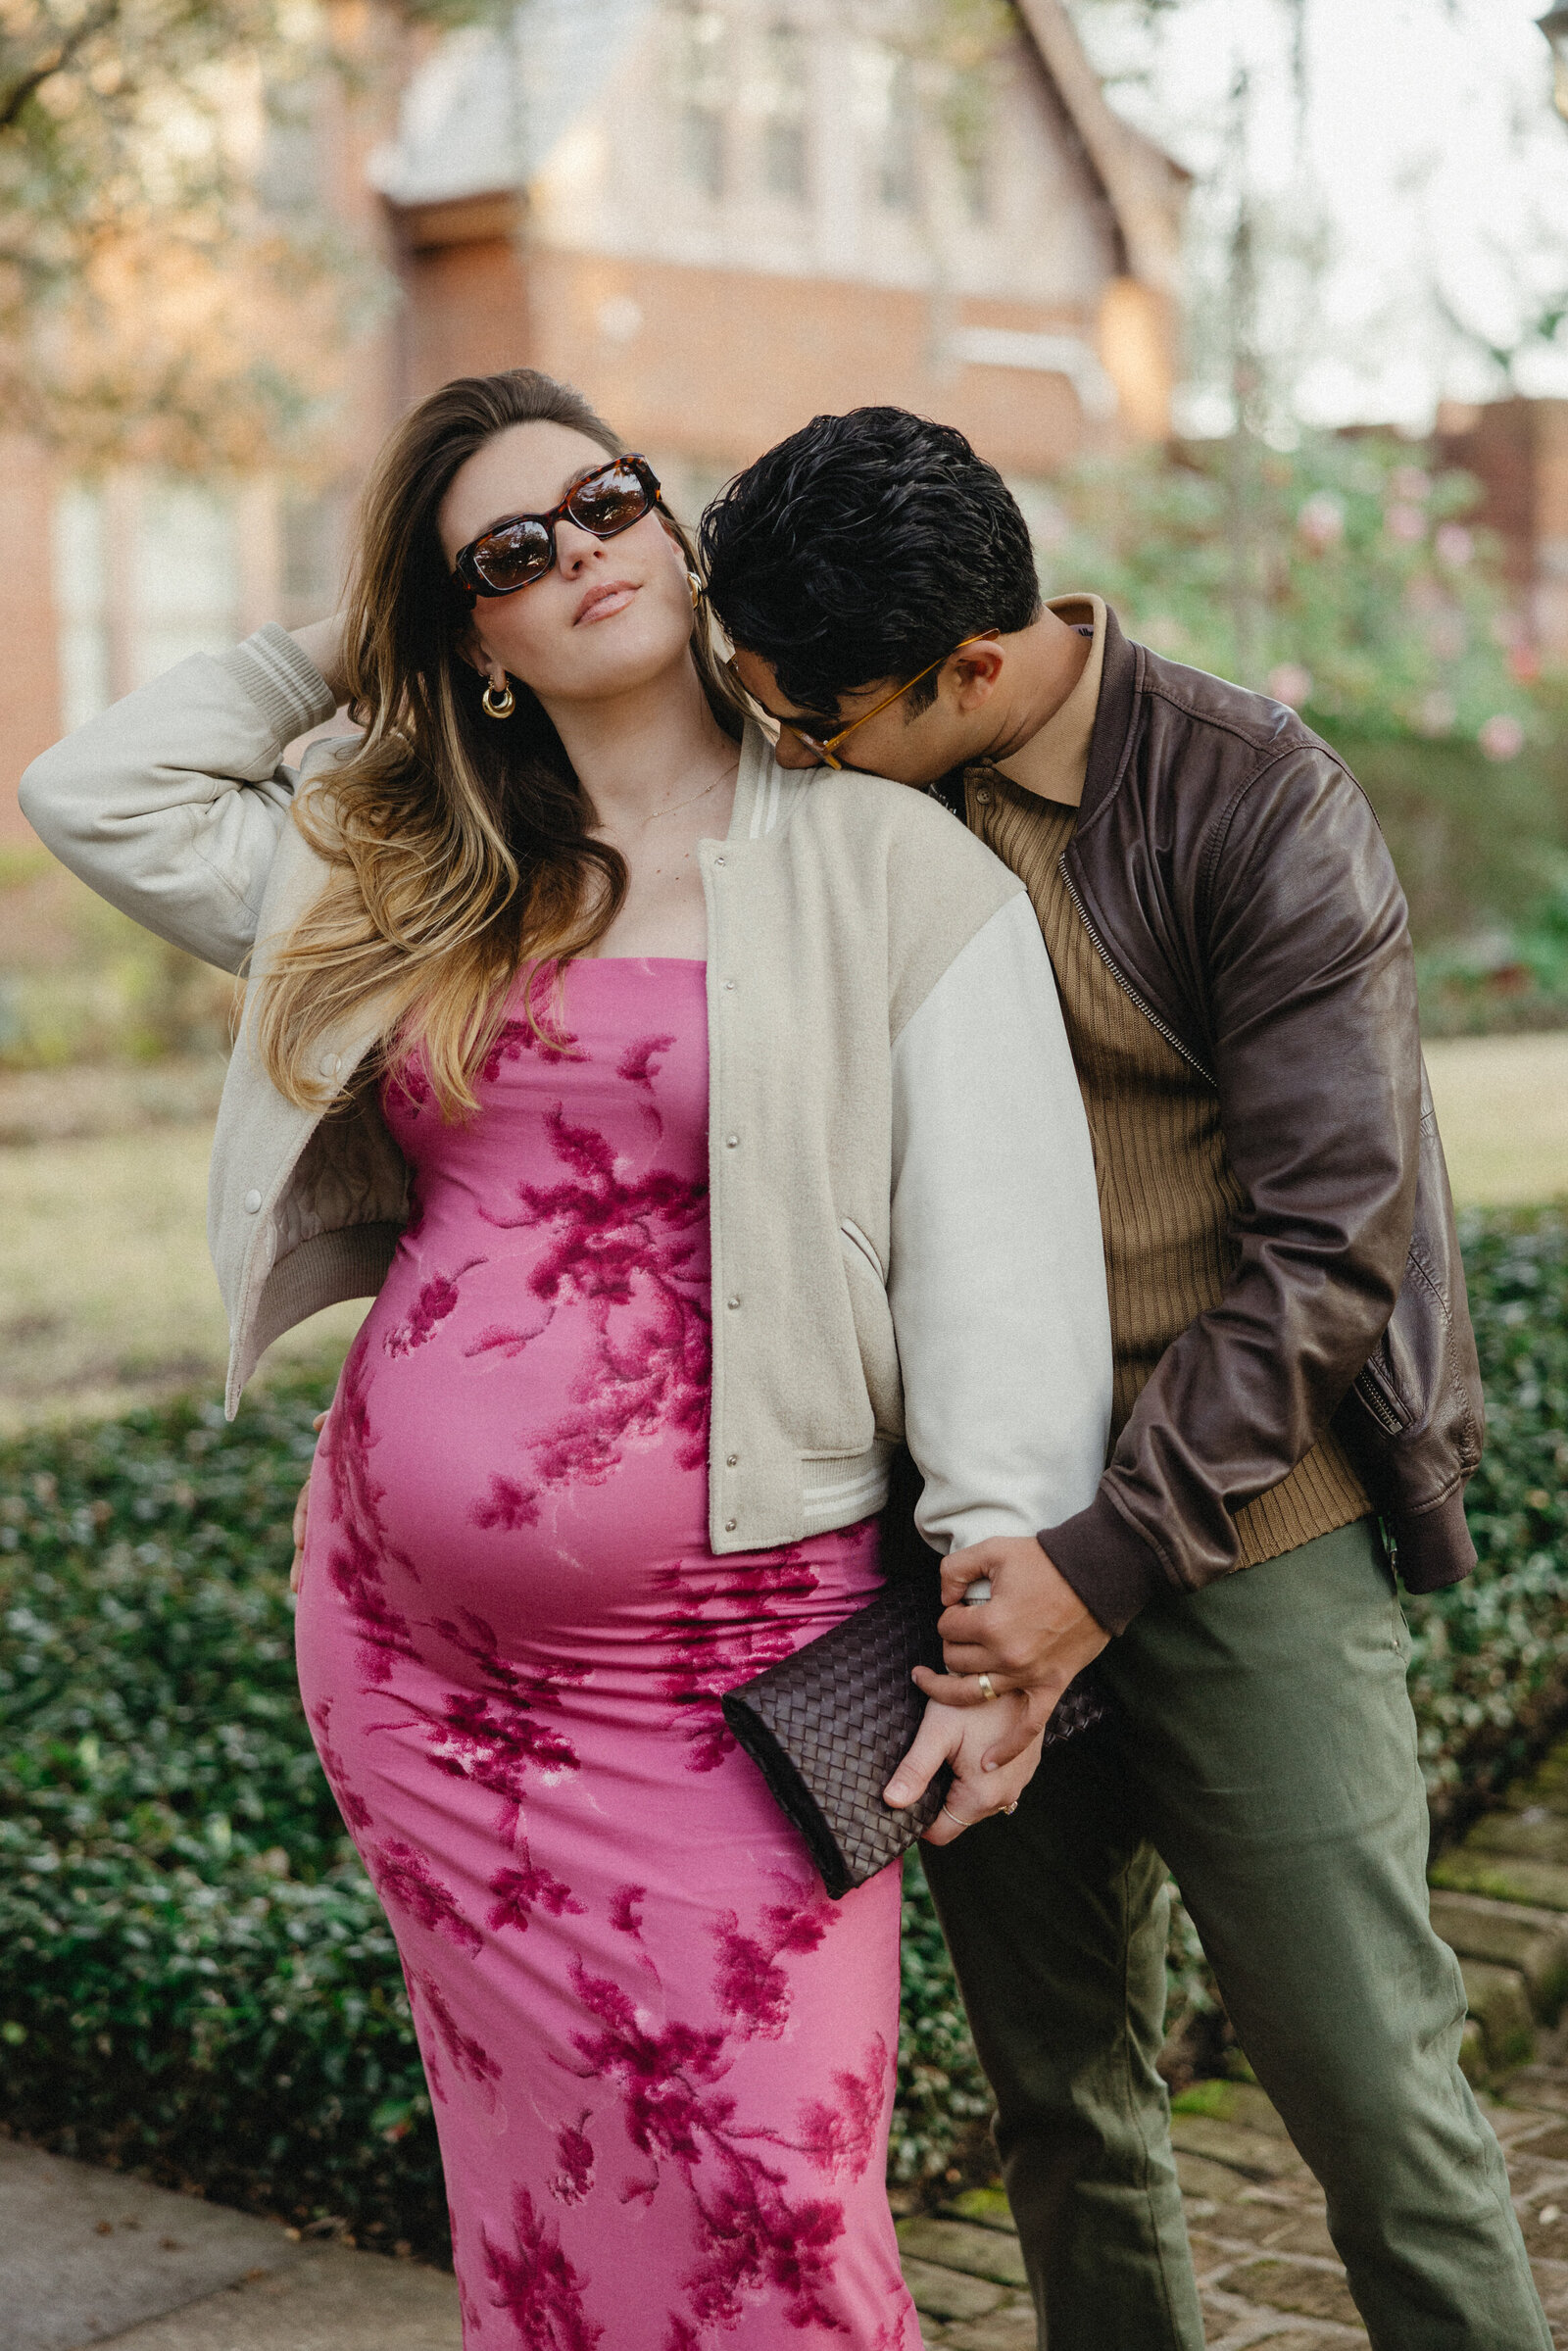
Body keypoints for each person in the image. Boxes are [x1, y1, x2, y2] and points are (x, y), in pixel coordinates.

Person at [19, 371, 1112, 2351]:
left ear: (671, 526)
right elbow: (95, 791)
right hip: (416, 1670)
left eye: (603, 503)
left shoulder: (891, 874)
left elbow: (1001, 1282)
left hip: (737, 1684)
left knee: (777, 2204)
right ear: (473, 641)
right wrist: (345, 643)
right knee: (542, 2197)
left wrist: (998, 1612)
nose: (578, 553)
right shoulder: (398, 877)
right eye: (505, 555)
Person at [700, 405, 1549, 2351]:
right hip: (968, 1549)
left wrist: (1105, 1557)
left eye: (818, 719)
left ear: (968, 670)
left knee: (1368, 2099)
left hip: (1242, 1528)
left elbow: (1331, 1248)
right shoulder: (844, 803)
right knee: (1061, 2108)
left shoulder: (1253, 801)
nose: (784, 755)